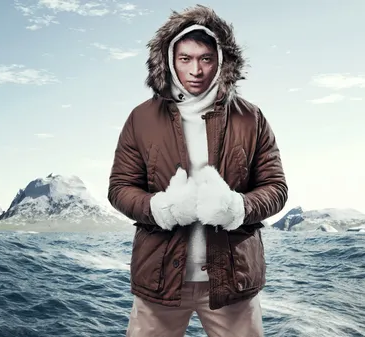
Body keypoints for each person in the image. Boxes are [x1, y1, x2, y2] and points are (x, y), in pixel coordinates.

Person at [107, 4, 288, 337]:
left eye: (205, 58)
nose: (196, 70)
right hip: (158, 279)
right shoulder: (141, 118)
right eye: (185, 58)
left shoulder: (251, 118)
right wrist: (158, 208)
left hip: (232, 281)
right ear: (170, 60)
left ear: (221, 60)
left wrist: (237, 208)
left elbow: (276, 188)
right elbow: (119, 187)